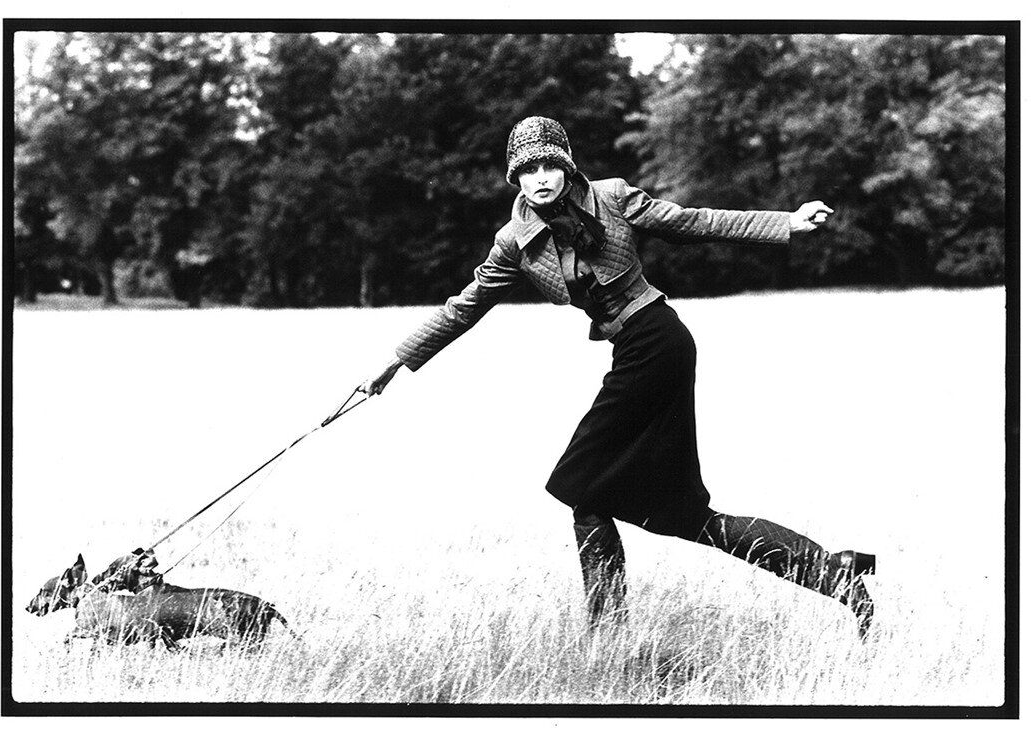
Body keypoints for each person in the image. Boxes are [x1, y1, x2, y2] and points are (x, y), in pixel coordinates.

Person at [355, 116, 876, 639]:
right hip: (633, 350)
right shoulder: (514, 242)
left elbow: (694, 221)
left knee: (581, 487)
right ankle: (836, 573)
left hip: (658, 341)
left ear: (566, 167)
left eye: (549, 165)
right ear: (515, 178)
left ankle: (607, 637)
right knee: (685, 517)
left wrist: (786, 222)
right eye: (528, 170)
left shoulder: (613, 197)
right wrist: (395, 361)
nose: (541, 177)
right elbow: (464, 306)